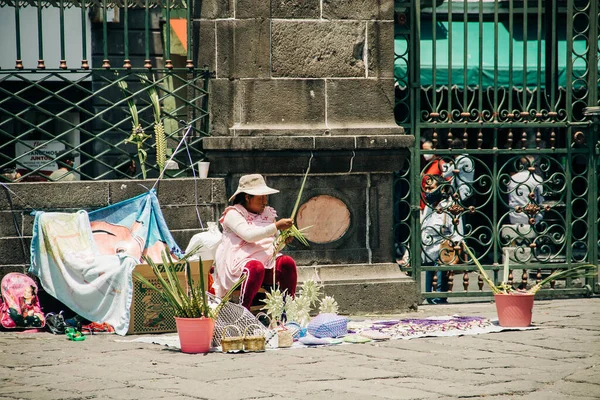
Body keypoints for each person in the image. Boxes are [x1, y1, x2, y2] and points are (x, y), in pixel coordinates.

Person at [213, 174, 297, 311]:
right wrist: (276, 226)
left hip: (266, 262)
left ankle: (288, 312)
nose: (265, 201)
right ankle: (243, 313)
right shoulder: (233, 214)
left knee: (287, 263)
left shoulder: (267, 214)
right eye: (261, 197)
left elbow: (274, 244)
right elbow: (249, 236)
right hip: (239, 265)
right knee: (255, 267)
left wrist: (283, 240)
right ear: (247, 197)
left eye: (265, 197)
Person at [421, 175, 461, 304]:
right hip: (427, 253)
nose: (427, 191)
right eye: (426, 187)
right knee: (428, 295)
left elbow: (457, 232)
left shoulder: (450, 206)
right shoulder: (429, 206)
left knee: (437, 296)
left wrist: (455, 249)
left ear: (442, 189)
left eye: (431, 188)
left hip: (441, 253)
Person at [507, 156, 544, 225]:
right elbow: (541, 201)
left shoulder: (512, 179)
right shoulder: (537, 179)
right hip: (532, 217)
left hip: (514, 217)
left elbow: (509, 198)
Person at [442, 138, 475, 204]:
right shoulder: (463, 159)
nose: (449, 150)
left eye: (450, 148)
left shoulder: (462, 160)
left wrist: (448, 165)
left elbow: (445, 174)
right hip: (460, 192)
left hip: (463, 193)